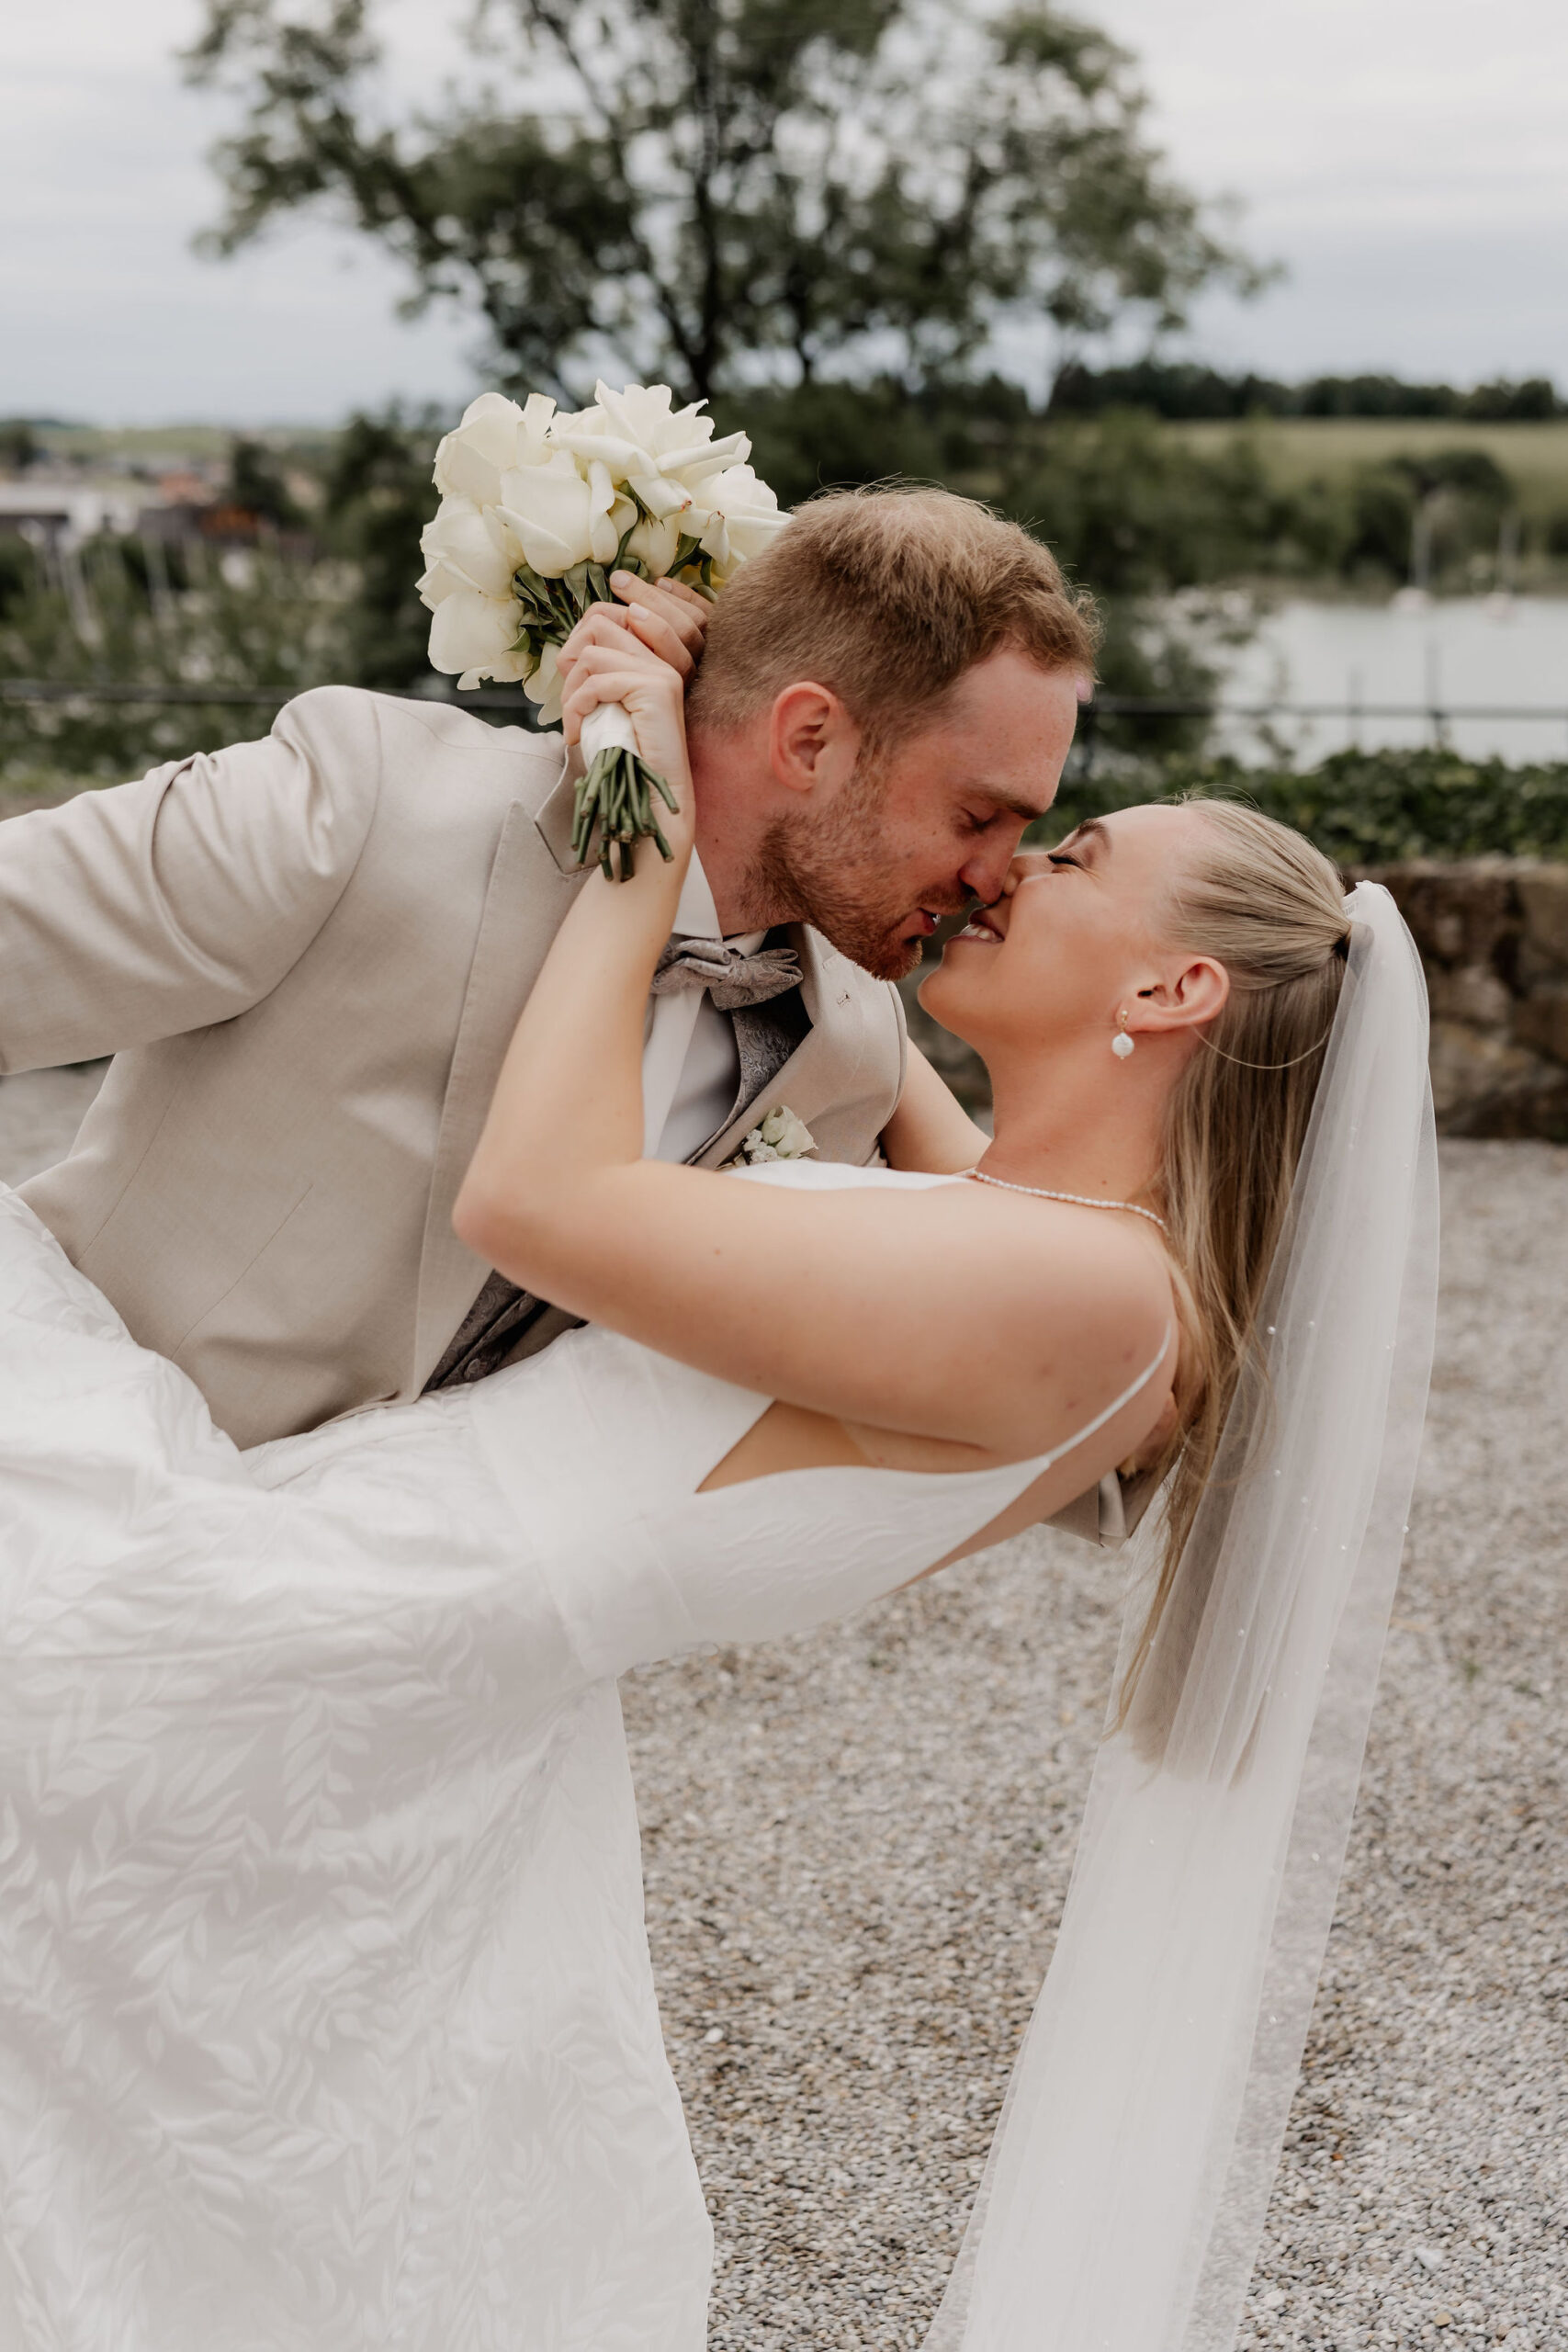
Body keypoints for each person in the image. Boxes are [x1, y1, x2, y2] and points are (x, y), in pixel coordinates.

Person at [0, 607, 1436, 2350]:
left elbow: (536, 1202)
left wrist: (644, 819)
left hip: (321, 1631)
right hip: (401, 1634)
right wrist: (784, 804)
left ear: (1169, 989)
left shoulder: (1093, 1304)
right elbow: (914, 1111)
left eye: (1068, 855)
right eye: (1001, 829)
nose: (1004, 876)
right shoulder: (1057, 1240)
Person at [0, 486, 1134, 1541]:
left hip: (395, 1670)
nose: (1002, 872)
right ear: (808, 740)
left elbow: (1052, 1402)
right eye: (978, 814)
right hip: (65, 1523)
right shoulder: (363, 806)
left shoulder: (847, 1048)